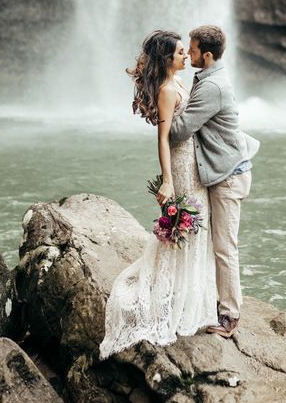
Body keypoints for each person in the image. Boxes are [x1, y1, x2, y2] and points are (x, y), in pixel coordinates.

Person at [99, 30, 218, 360]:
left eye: (185, 51)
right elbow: (163, 138)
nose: (185, 56)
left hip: (196, 162)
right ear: (167, 59)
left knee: (197, 230)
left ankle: (189, 301)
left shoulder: (182, 83)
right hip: (181, 166)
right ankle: (168, 303)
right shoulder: (167, 90)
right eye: (180, 52)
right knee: (186, 228)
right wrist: (167, 180)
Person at [169, 25, 260, 338]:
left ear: (207, 55)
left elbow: (180, 130)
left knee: (224, 246)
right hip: (223, 171)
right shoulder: (208, 77)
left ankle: (230, 317)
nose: (188, 54)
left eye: (192, 50)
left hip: (229, 176)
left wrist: (163, 107)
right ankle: (215, 303)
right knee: (216, 243)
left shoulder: (212, 87)